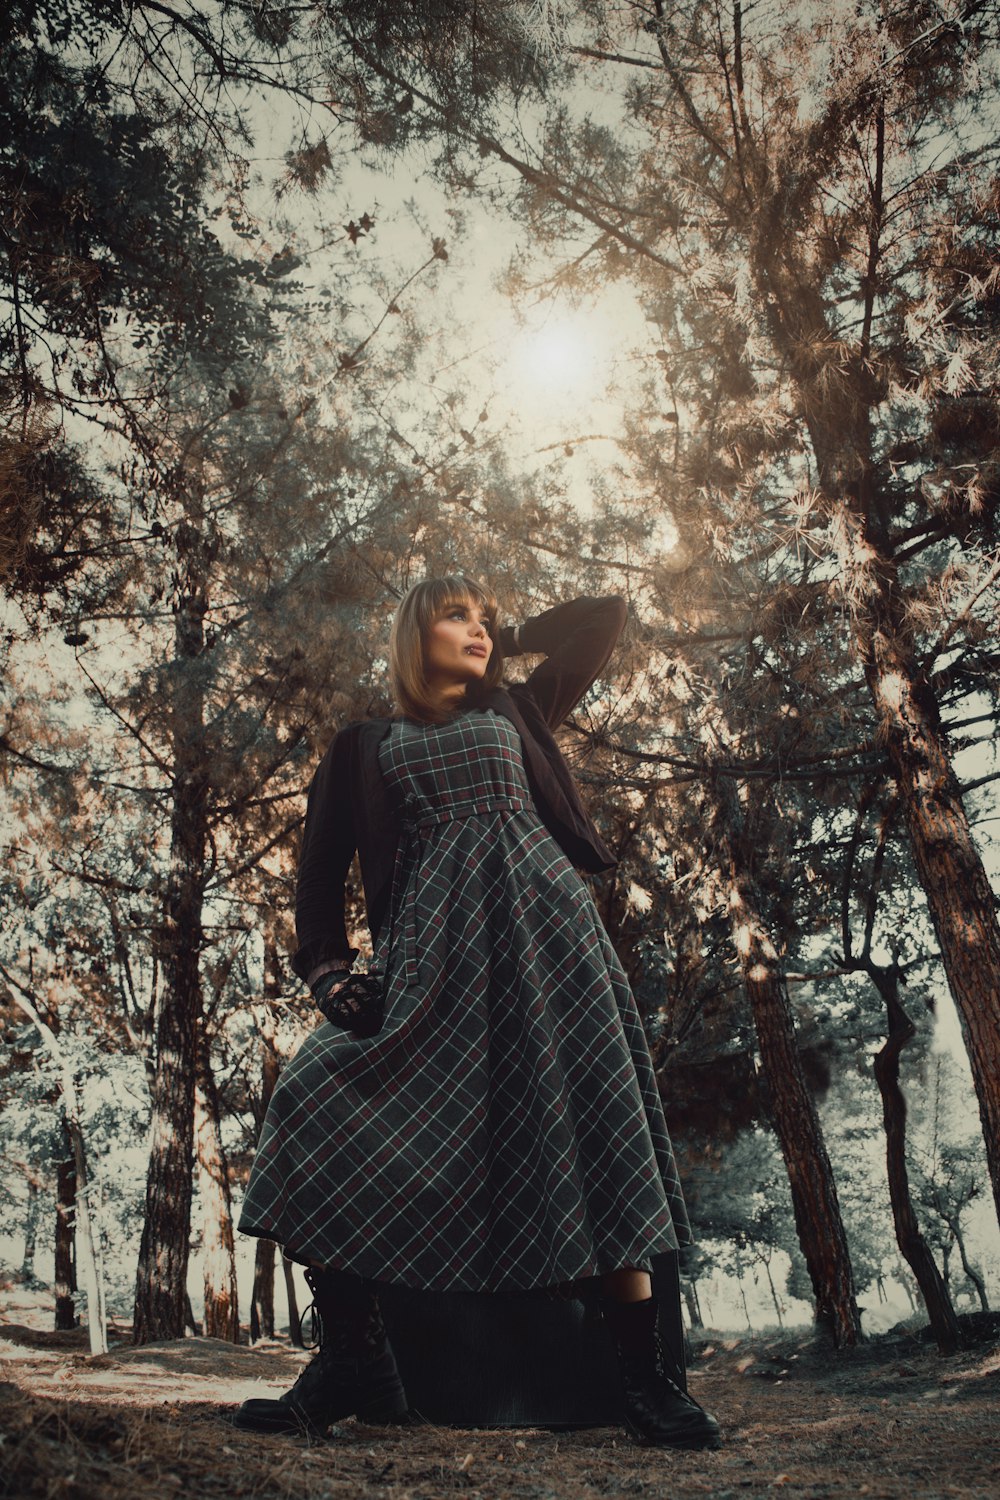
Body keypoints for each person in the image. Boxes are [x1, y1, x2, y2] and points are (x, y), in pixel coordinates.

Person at [234, 579, 720, 1450]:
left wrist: (517, 631)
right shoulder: (362, 747)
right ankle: (353, 1357)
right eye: (457, 615)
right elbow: (317, 882)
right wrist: (330, 975)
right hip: (429, 963)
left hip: (550, 946)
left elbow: (604, 616)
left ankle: (644, 1382)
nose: (479, 630)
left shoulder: (519, 707)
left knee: (593, 1128)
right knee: (313, 1096)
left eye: (484, 619)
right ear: (412, 633)